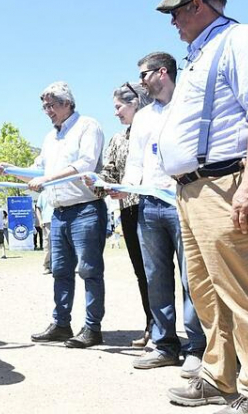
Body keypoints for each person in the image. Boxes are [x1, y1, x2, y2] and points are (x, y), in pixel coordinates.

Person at [156, 0, 248, 413]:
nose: (172, 21)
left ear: (200, 5)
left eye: (176, 11)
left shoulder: (241, 38)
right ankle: (219, 376)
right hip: (194, 191)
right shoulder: (199, 54)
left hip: (227, 184)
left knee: (245, 294)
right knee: (208, 296)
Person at [0, 81, 106, 349]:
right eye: (44, 106)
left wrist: (46, 179)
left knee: (90, 271)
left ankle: (92, 328)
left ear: (68, 103)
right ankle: (61, 323)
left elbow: (85, 165)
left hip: (86, 209)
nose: (48, 111)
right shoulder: (49, 138)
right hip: (58, 214)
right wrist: (10, 170)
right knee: (60, 271)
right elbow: (37, 172)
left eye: (52, 105)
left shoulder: (88, 126)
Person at [124, 55, 206, 377]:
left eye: (143, 75)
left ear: (163, 73)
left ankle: (197, 347)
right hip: (148, 206)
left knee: (192, 277)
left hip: (184, 201)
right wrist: (126, 187)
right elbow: (136, 160)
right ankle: (164, 345)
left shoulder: (189, 105)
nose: (141, 82)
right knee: (156, 277)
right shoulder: (143, 118)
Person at [96, 81, 152, 347]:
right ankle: (152, 326)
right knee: (143, 271)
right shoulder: (117, 139)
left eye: (119, 107)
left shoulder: (155, 128)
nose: (116, 113)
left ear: (135, 103)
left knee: (164, 271)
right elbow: (110, 173)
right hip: (129, 211)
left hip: (156, 206)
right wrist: (98, 183)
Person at [36, 190, 53, 274]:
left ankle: (60, 266)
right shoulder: (43, 194)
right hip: (47, 221)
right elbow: (38, 208)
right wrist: (40, 220)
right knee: (47, 245)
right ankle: (46, 266)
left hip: (61, 219)